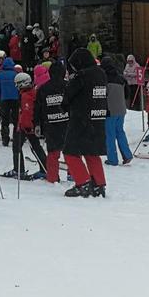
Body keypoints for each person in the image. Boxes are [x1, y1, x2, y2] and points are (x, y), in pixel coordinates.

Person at [61, 48, 108, 197]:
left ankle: (82, 183)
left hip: (81, 119)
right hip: (98, 118)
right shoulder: (101, 73)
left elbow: (68, 96)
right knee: (92, 152)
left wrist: (65, 105)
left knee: (70, 152)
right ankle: (98, 184)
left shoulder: (82, 76)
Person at [7, 72, 47, 180]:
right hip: (30, 125)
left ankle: (18, 170)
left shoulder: (26, 95)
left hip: (26, 127)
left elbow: (26, 112)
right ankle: (45, 168)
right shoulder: (32, 92)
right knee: (36, 147)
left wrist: (25, 126)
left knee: (17, 147)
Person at [36, 55, 69, 183]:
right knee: (70, 152)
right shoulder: (68, 85)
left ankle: (53, 177)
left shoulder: (43, 88)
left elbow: (37, 108)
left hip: (50, 124)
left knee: (53, 152)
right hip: (67, 123)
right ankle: (73, 174)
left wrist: (37, 123)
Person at [101, 58, 133, 165]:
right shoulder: (121, 78)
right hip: (121, 109)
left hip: (110, 110)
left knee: (110, 135)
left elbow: (102, 95)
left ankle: (113, 159)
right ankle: (127, 155)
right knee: (120, 132)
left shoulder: (104, 79)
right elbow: (127, 94)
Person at [0, 57, 20, 147]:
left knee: (5, 120)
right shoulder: (15, 74)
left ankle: (5, 139)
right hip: (15, 99)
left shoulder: (0, 74)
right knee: (16, 119)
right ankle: (16, 137)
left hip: (4, 99)